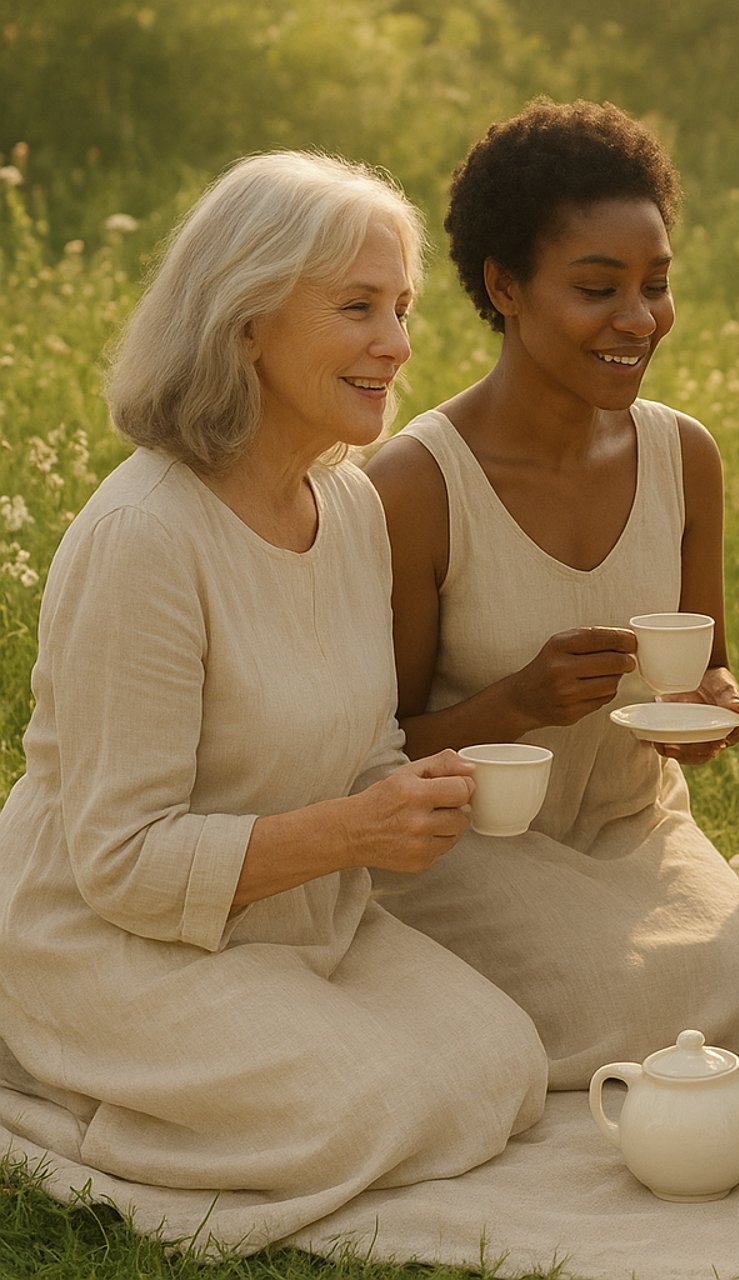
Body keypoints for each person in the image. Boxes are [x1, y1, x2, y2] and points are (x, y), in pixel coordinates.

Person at [0, 153, 547, 1218]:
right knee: (375, 1105)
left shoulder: (344, 505)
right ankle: (58, 1094)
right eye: (356, 307)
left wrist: (416, 792)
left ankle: (229, 1074)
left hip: (294, 917)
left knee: (507, 1066)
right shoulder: (144, 537)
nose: (396, 342)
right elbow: (120, 861)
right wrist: (353, 830)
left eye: (401, 306)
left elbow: (363, 747)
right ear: (245, 320)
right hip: (113, 940)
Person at [365, 99, 739, 1086]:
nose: (639, 319)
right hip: (469, 844)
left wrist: (716, 706)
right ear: (504, 286)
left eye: (656, 285)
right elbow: (369, 754)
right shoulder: (418, 484)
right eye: (599, 288)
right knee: (622, 1003)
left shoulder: (685, 454)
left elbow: (707, 668)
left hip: (634, 823)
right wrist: (516, 703)